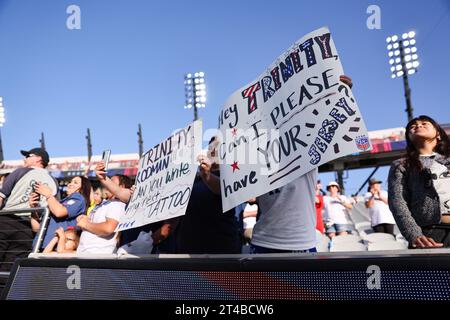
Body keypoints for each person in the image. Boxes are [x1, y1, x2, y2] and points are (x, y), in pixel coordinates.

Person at [249, 75, 353, 253]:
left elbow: (331, 122)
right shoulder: (256, 154)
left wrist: (341, 92)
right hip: (264, 240)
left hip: (300, 242)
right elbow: (246, 195)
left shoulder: (308, 142)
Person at [388, 115, 450, 248]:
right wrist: (414, 234)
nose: (418, 125)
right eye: (413, 126)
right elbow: (398, 202)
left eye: (424, 123)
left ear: (438, 134)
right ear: (409, 138)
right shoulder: (401, 165)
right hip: (430, 234)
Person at [0, 148, 59, 270]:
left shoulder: (21, 171)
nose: (24, 158)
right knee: (10, 270)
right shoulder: (54, 182)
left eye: (28, 156)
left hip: (7, 221)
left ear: (39, 159)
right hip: (29, 229)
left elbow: (1, 197)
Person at [29, 175, 91, 251]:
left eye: (75, 183)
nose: (70, 184)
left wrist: (49, 195)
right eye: (70, 182)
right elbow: (36, 228)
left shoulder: (78, 198)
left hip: (57, 249)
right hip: (41, 247)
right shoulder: (58, 203)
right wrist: (34, 208)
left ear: (83, 188)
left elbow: (59, 212)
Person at [76, 175, 130, 254]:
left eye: (111, 181)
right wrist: (86, 219)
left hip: (97, 254)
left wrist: (86, 224)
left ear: (121, 187)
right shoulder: (106, 203)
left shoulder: (117, 204)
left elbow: (109, 228)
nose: (106, 183)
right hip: (87, 253)